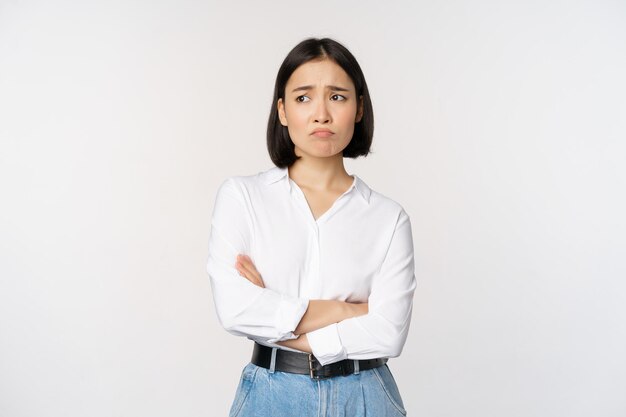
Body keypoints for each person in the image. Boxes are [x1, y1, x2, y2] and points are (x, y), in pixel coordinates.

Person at [206, 37, 417, 417]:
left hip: (366, 396)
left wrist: (276, 316)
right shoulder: (243, 197)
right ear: (283, 110)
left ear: (358, 109)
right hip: (271, 395)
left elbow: (389, 333)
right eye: (304, 98)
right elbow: (235, 310)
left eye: (337, 96)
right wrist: (348, 310)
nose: (321, 113)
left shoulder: (388, 218)